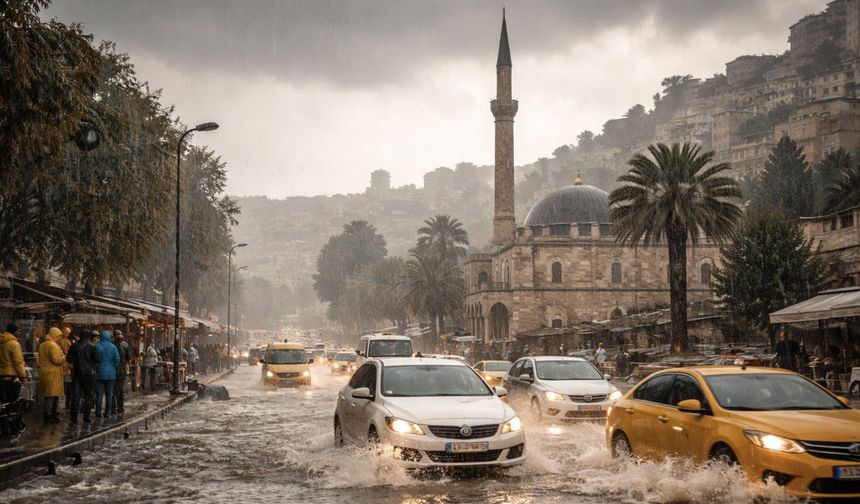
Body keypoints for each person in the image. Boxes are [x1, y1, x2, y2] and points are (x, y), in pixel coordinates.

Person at [67, 330, 97, 424]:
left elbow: (69, 359)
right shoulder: (93, 346)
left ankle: (74, 418)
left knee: (76, 396)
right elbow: (97, 359)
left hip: (77, 373)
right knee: (88, 396)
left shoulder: (74, 346)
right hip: (89, 374)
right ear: (88, 336)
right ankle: (86, 417)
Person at [37, 327, 66, 423]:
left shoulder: (42, 345)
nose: (59, 338)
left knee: (50, 395)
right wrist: (64, 357)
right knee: (52, 396)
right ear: (54, 335)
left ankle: (50, 415)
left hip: (45, 372)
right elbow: (56, 360)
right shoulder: (52, 345)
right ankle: (49, 416)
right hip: (53, 373)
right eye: (58, 336)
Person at [94, 331, 120, 417]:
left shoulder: (97, 346)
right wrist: (113, 366)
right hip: (110, 374)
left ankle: (98, 412)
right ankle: (107, 412)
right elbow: (117, 359)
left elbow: (94, 359)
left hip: (99, 373)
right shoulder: (113, 347)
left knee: (99, 394)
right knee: (109, 394)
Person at [0, 323, 27, 403]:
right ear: (13, 332)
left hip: (1, 376)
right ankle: (10, 415)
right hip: (11, 377)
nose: (19, 333)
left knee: (3, 401)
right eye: (18, 331)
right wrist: (23, 376)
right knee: (12, 401)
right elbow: (18, 362)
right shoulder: (14, 344)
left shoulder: (1, 342)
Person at [111, 330, 131, 414]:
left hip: (113, 370)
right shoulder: (125, 345)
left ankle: (113, 408)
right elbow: (128, 357)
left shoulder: (111, 345)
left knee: (113, 391)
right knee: (120, 390)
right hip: (122, 371)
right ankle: (120, 407)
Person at [59, 327, 73, 410]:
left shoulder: (61, 341)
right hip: (66, 365)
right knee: (68, 387)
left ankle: (65, 403)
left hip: (63, 365)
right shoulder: (66, 341)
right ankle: (67, 404)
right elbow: (68, 352)